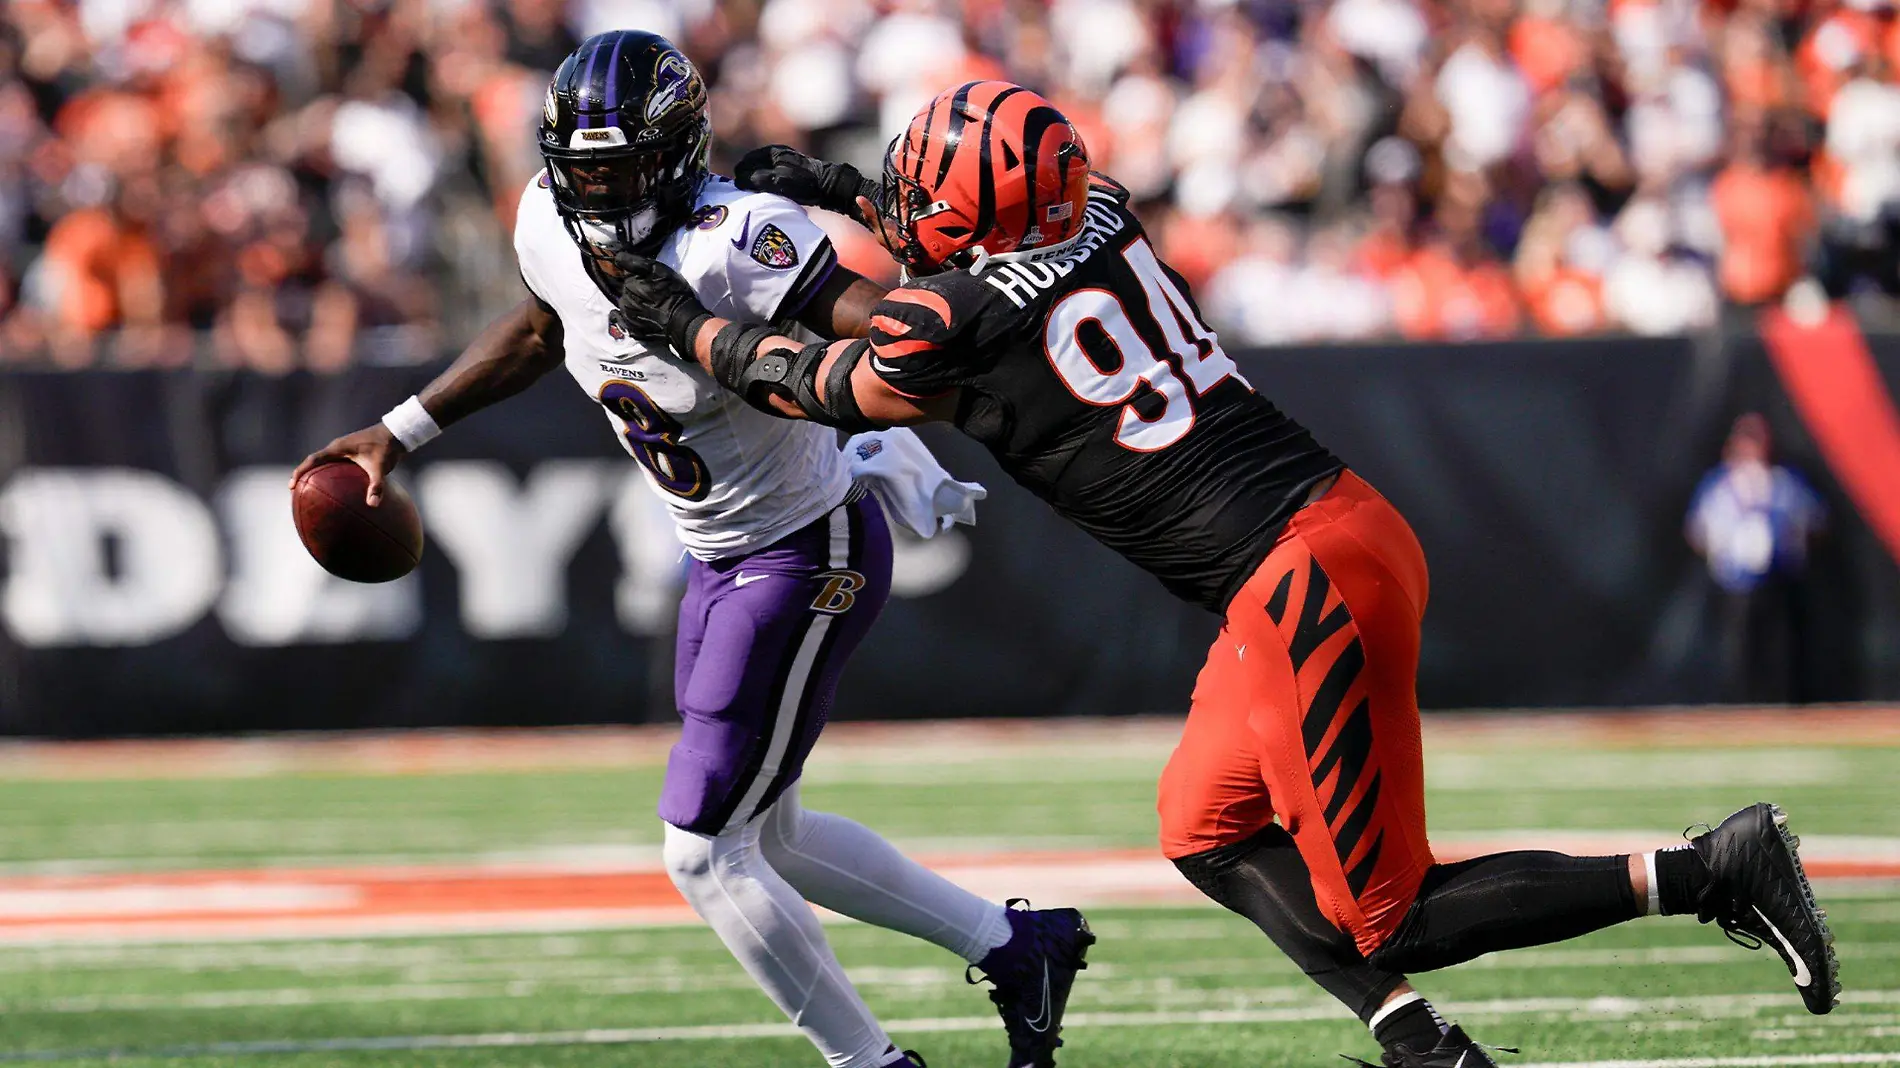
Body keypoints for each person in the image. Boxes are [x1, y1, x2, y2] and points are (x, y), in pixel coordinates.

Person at [604, 80, 1842, 1067]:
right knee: (1205, 827)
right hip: (1320, 539)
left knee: (1389, 909)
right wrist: (835, 189)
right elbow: (992, 235)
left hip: (1304, 575)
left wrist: (676, 321)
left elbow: (824, 384)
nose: (902, 203)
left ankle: (1712, 870)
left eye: (922, 190)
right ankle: (1412, 1038)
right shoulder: (1102, 213)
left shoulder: (949, 316)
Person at [291, 38, 1092, 1068]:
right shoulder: (547, 217)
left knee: (706, 853)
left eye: (622, 169)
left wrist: (758, 349)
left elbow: (891, 342)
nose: (600, 192)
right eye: (584, 171)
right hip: (717, 554)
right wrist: (398, 431)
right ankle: (1019, 946)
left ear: (675, 154)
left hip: (806, 549)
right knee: (776, 836)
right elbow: (544, 330)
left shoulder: (737, 238)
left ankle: (873, 1065)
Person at [1686, 413, 1827, 703]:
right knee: (1740, 649)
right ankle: (1742, 706)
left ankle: (1784, 704)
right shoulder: (1720, 485)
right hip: (1737, 583)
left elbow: (1815, 520)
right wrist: (1723, 552)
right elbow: (1696, 529)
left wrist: (1791, 544)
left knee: (1783, 648)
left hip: (1780, 578)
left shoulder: (1783, 482)